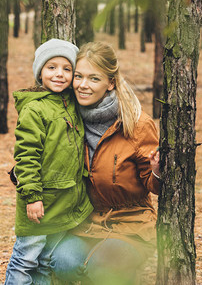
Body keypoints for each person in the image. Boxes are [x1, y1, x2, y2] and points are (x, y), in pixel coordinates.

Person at [50, 41, 161, 284]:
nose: (82, 85)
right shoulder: (68, 119)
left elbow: (156, 187)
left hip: (132, 225)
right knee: (62, 262)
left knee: (103, 268)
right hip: (87, 224)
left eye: (93, 79)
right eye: (78, 76)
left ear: (110, 83)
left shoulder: (137, 125)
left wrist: (157, 171)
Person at [4, 39, 93, 285]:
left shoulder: (71, 103)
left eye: (67, 69)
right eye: (51, 67)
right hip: (39, 203)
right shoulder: (34, 109)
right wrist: (32, 196)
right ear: (40, 72)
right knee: (25, 260)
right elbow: (26, 156)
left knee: (44, 262)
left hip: (62, 202)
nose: (59, 74)